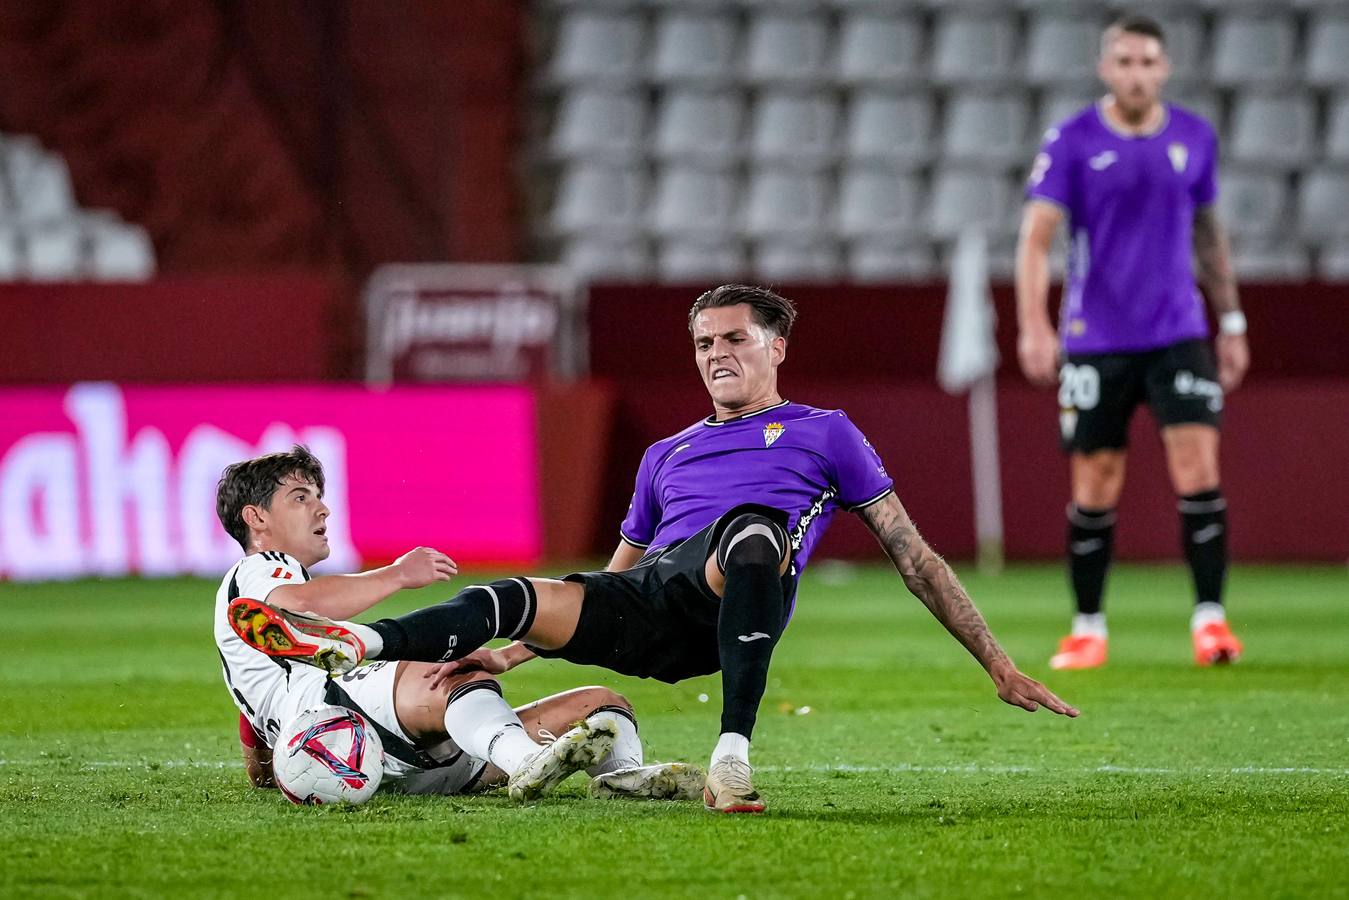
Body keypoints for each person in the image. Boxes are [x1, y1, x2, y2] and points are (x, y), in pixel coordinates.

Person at [228, 285, 1078, 814]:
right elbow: (617, 580)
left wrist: (996, 663)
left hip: (733, 595)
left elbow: (913, 556)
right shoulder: (662, 455)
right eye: (705, 343)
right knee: (511, 594)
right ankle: (361, 644)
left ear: (776, 347)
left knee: (750, 530)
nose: (716, 355)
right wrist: (523, 647)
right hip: (654, 615)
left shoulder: (826, 434)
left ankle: (732, 756)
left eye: (734, 339)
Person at [217, 446, 703, 802]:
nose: (322, 507)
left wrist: (268, 769)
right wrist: (396, 574)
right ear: (255, 519)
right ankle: (521, 761)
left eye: (319, 495)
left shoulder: (262, 630)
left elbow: (253, 712)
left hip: (412, 761)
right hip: (346, 723)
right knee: (447, 668)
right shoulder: (257, 570)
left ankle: (622, 778)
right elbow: (296, 603)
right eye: (301, 498)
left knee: (603, 704)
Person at [1015, 15, 1249, 671]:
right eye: (1123, 61)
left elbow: (1208, 234)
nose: (1135, 73)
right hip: (1097, 337)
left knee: (1199, 471)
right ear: (1104, 68)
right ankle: (1086, 628)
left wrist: (1230, 321)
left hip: (1179, 330)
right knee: (1094, 481)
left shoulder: (1193, 137)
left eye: (1146, 61)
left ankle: (1210, 622)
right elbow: (1035, 240)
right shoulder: (1071, 140)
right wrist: (1034, 325)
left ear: (1163, 69)